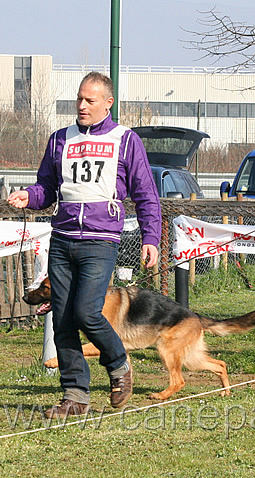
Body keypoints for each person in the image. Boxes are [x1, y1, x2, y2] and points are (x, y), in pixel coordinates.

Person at [8, 72, 162, 417]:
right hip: (62, 238)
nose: (82, 105)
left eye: (90, 100)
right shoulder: (60, 139)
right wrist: (28, 196)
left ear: (108, 103)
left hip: (100, 240)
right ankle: (75, 397)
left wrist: (151, 237)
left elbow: (146, 194)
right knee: (62, 320)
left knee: (87, 312)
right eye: (79, 98)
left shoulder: (125, 139)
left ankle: (119, 366)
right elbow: (46, 188)